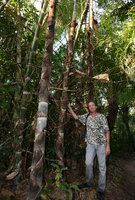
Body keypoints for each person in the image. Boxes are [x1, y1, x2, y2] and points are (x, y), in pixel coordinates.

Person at [67, 101, 110, 200]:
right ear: (89, 108)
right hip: (90, 145)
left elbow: (107, 131)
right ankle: (89, 182)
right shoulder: (87, 117)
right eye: (89, 106)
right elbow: (76, 117)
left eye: (92, 105)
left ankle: (101, 190)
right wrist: (69, 108)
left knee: (102, 167)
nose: (91, 107)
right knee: (88, 163)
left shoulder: (102, 117)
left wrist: (108, 146)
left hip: (101, 145)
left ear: (96, 106)